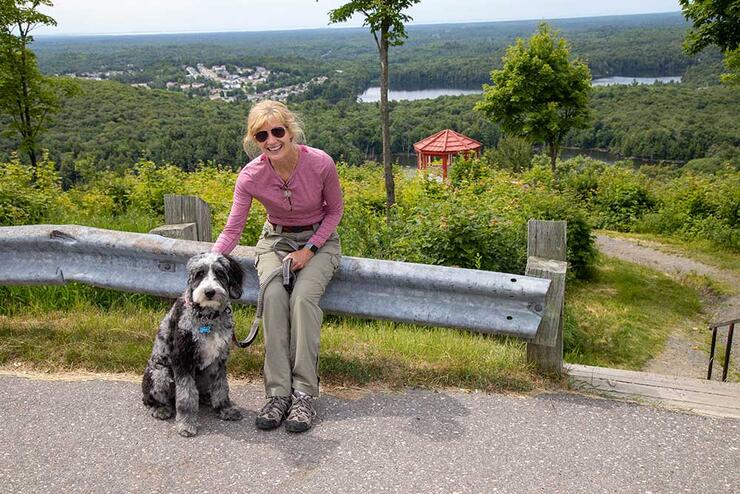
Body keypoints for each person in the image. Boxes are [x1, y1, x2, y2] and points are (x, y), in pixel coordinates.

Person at [212, 100, 343, 433]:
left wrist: (310, 250)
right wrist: (211, 264)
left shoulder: (321, 163)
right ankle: (277, 394)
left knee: (302, 301)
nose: (271, 140)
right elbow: (233, 229)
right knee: (272, 298)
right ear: (253, 139)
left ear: (290, 129)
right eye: (261, 135)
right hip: (275, 240)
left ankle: (304, 395)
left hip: (319, 240)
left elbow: (334, 213)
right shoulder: (251, 176)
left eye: (277, 131)